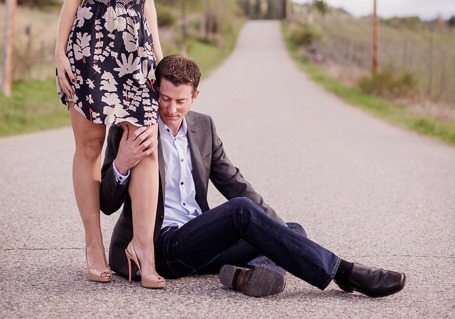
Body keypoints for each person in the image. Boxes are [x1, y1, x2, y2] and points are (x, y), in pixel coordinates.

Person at [100, 54, 406, 298]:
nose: (170, 109)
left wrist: (276, 226)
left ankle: (246, 276)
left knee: (290, 229)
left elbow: (234, 183)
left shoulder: (203, 126)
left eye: (181, 101)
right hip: (160, 246)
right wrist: (122, 164)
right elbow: (107, 204)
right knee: (244, 213)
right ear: (156, 90)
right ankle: (345, 273)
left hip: (199, 240)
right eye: (165, 99)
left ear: (195, 96)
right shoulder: (130, 129)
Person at [56, 0, 165, 288]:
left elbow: (148, 5)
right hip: (90, 46)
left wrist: (159, 62)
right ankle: (94, 246)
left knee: (146, 144)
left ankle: (144, 249)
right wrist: (58, 52)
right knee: (90, 147)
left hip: (134, 53)